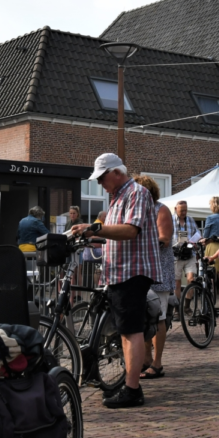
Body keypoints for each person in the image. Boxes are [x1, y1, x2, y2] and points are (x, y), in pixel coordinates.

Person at [70, 154, 163, 409]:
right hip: (120, 271)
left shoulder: (137, 193)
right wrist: (88, 234)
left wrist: (95, 228)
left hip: (131, 271)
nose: (100, 183)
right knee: (125, 329)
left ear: (115, 172)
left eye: (101, 177)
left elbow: (130, 230)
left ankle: (132, 390)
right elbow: (113, 235)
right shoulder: (118, 197)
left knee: (131, 330)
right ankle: (130, 385)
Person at [133, 175, 173, 380]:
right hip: (140, 270)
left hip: (158, 270)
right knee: (143, 317)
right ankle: (146, 359)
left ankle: (157, 363)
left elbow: (164, 239)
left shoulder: (161, 209)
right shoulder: (137, 212)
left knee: (158, 316)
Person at [200, 197, 219, 314]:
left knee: (211, 279)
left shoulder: (210, 218)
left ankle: (211, 305)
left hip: (212, 247)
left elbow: (206, 235)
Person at [172, 201, 200, 297]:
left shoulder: (191, 220)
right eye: (182, 210)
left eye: (186, 210)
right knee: (177, 282)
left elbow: (198, 233)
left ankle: (187, 306)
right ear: (176, 209)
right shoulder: (170, 220)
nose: (184, 212)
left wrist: (194, 240)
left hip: (189, 254)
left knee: (191, 279)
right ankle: (177, 307)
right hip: (176, 255)